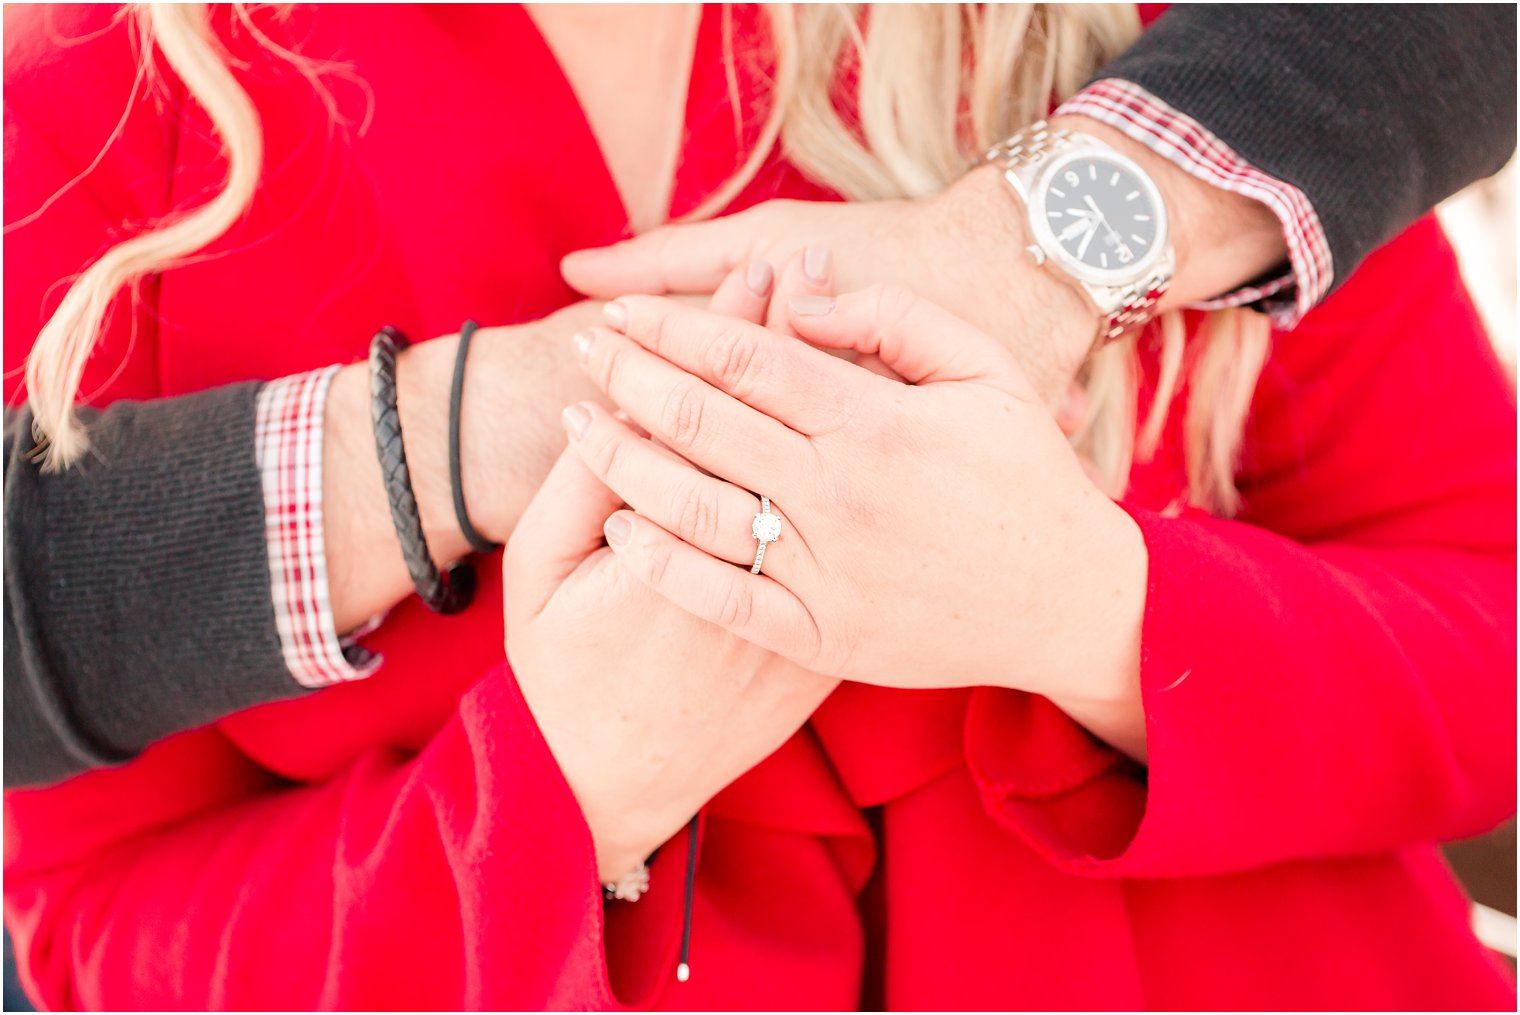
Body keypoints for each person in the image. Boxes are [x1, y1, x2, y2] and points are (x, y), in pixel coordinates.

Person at [3, 3, 1514, 1010]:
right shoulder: (81, 137)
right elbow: (93, 935)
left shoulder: (1149, 41)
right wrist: (557, 788)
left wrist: (1090, 614)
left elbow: (1489, 621)